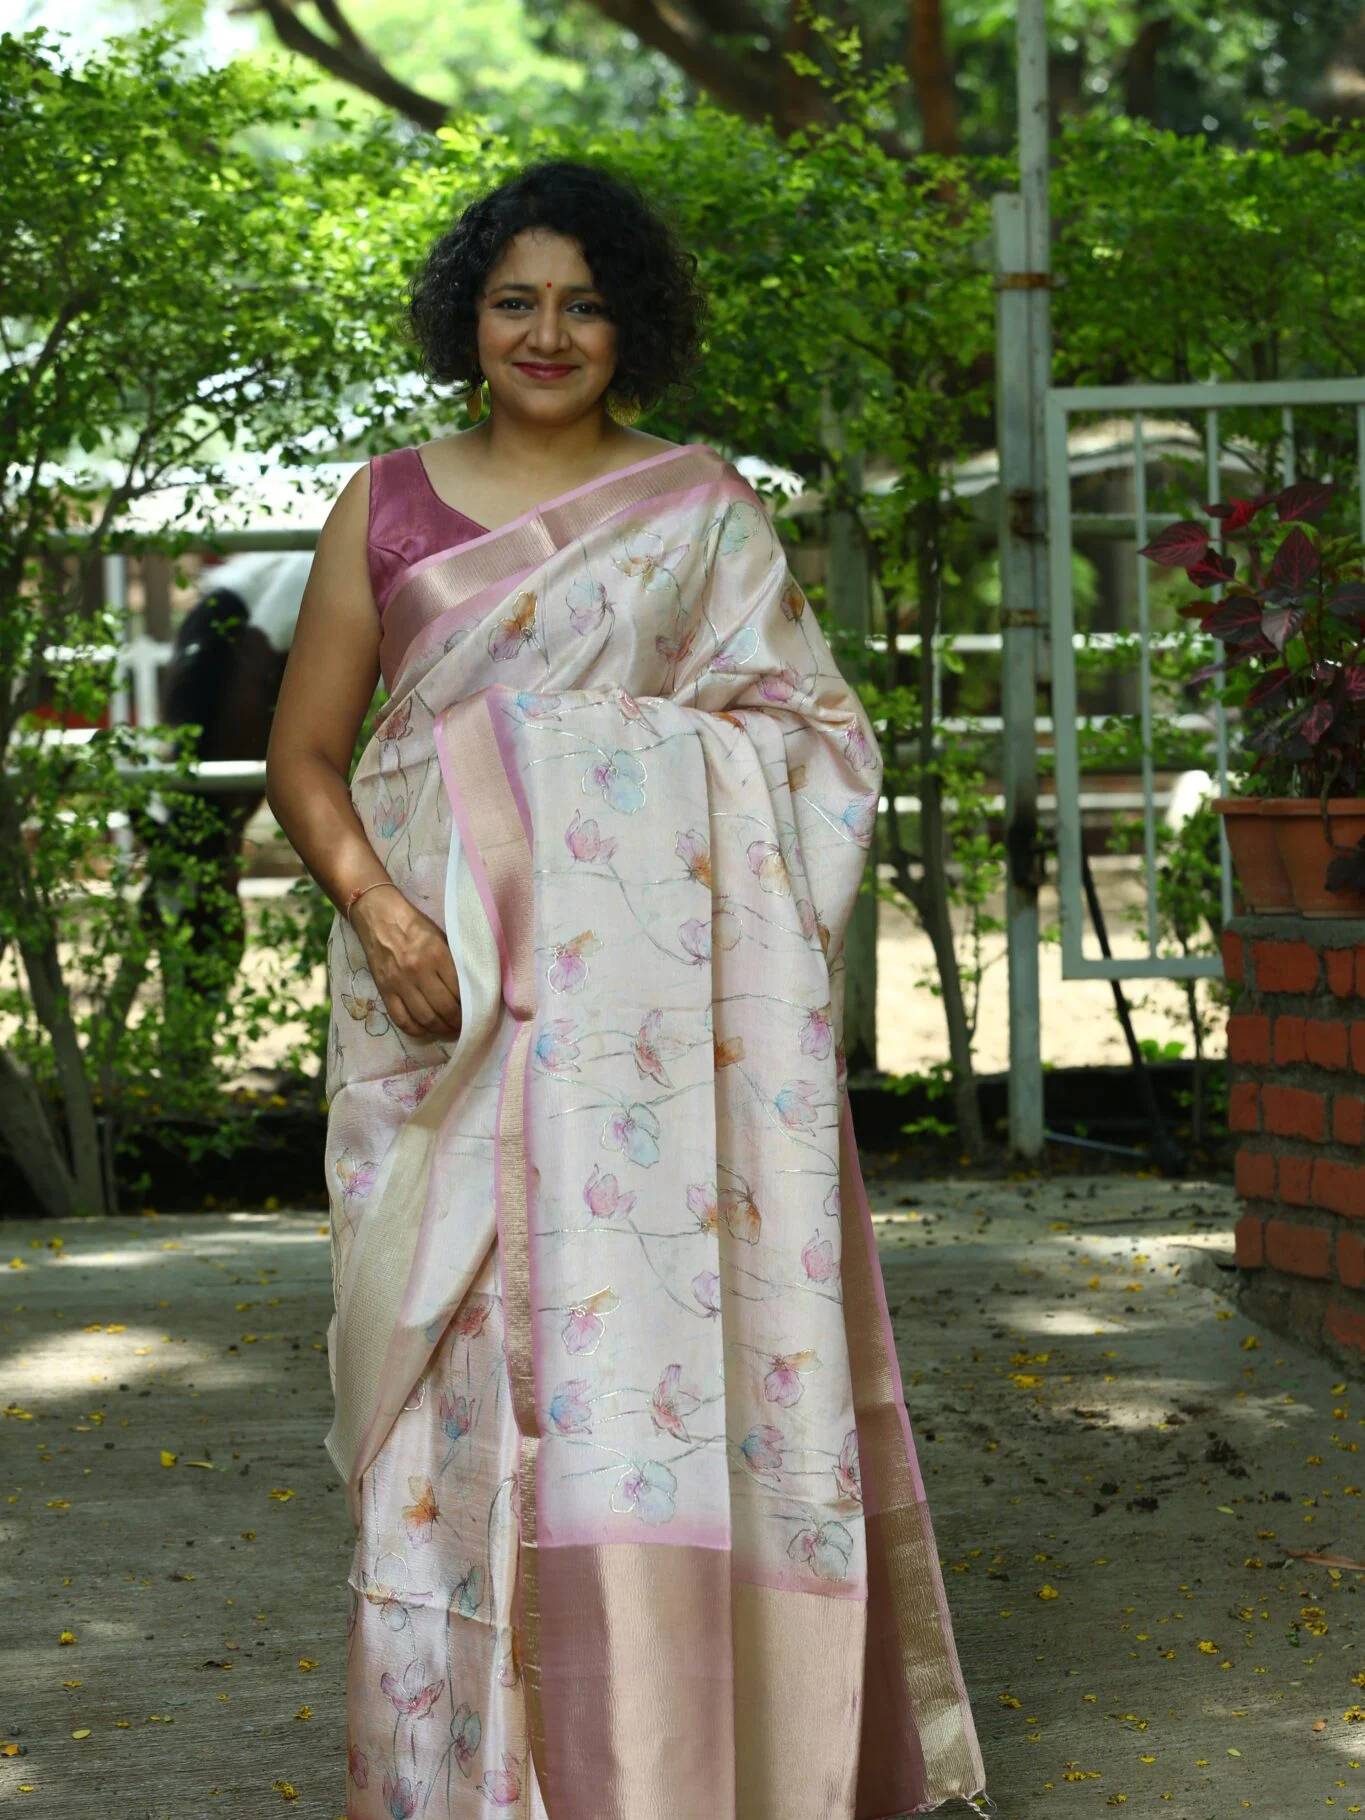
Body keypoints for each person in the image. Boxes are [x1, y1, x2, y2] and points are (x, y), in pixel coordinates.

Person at [265, 156, 993, 1820]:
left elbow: (812, 749)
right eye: (515, 299)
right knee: (441, 1385)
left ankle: (656, 1764)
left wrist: (566, 775)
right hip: (435, 1006)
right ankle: (452, 1777)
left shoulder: (695, 510)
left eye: (583, 303)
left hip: (637, 1058)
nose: (546, 331)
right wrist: (381, 909)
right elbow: (305, 757)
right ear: (468, 315)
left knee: (624, 1378)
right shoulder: (384, 502)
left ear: (629, 324)